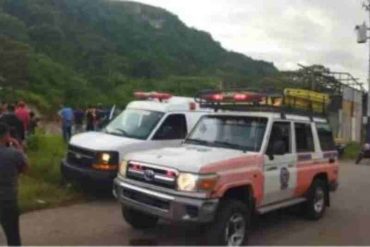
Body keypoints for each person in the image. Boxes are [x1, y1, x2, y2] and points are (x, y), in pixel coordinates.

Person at [0, 123, 29, 246]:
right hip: (8, 201)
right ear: (6, 136)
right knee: (13, 237)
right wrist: (19, 147)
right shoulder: (13, 154)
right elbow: (26, 169)